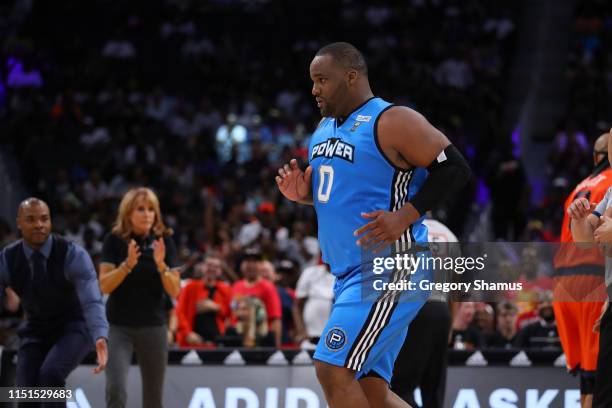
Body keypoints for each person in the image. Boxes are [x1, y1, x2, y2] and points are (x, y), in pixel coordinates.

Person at [276, 42, 471, 408]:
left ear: (351, 77)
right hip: (349, 273)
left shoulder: (392, 119)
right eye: (312, 81)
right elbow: (343, 195)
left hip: (391, 265)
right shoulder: (323, 128)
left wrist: (405, 215)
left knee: (331, 368)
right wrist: (303, 195)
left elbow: (456, 168)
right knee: (372, 392)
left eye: (322, 80)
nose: (314, 89)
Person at [0, 198, 108, 406]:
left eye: (44, 219)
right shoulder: (7, 258)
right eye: (31, 219)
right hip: (36, 327)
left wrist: (100, 335)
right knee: (25, 394)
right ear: (19, 224)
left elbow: (92, 301)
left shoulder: (72, 253)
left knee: (50, 374)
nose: (39, 224)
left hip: (74, 325)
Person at [99, 187, 181, 408]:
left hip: (154, 327)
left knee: (154, 398)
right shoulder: (114, 240)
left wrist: (161, 263)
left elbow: (174, 290)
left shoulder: (164, 241)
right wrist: (127, 266)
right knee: (115, 391)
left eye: (151, 210)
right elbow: (104, 284)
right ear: (128, 213)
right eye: (141, 209)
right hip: (119, 327)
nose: (147, 214)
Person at [553, 132, 611, 408]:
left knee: (588, 378)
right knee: (598, 377)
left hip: (564, 282)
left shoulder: (579, 186)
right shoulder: (609, 184)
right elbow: (590, 237)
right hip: (594, 278)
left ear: (594, 158)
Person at [391, 218, 456, 408]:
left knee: (400, 387)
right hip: (441, 311)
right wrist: (451, 324)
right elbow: (456, 285)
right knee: (433, 389)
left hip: (412, 310)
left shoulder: (399, 226)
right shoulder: (446, 233)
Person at [231, 248, 282, 347]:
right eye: (247, 261)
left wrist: (277, 347)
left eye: (255, 262)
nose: (251, 265)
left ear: (260, 265)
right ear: (242, 265)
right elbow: (231, 313)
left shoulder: (268, 287)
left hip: (260, 340)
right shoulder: (236, 286)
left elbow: (275, 318)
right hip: (237, 339)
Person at [176, 255, 231, 346]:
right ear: (202, 267)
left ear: (220, 271)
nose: (212, 269)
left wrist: (216, 308)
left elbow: (231, 315)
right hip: (192, 341)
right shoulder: (189, 287)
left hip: (217, 342)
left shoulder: (226, 289)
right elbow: (179, 313)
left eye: (216, 266)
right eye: (209, 265)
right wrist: (187, 333)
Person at [293, 261, 335, 347]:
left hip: (333, 337)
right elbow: (297, 305)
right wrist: (301, 331)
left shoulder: (347, 274)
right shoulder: (310, 272)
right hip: (310, 337)